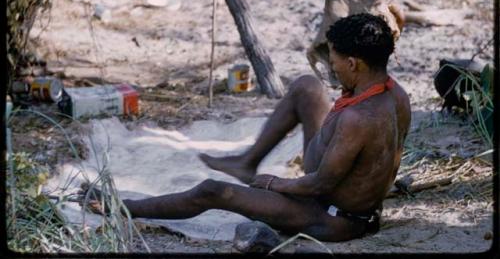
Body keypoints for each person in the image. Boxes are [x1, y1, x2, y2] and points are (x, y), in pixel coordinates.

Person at [83, 13, 411, 242]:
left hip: (333, 218)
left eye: (337, 64)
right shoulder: (395, 95)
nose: (334, 70)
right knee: (308, 87)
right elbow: (373, 166)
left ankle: (120, 207)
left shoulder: (359, 119)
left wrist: (272, 183)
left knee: (213, 191)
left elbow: (319, 185)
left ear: (354, 63)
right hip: (339, 193)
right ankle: (246, 161)